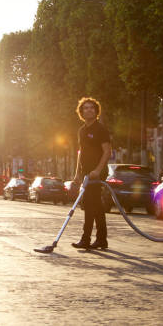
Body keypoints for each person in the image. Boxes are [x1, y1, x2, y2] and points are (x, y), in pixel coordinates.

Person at [72, 97, 112, 250]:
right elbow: (80, 153)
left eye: (92, 108)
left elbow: (107, 151)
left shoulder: (100, 129)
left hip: (97, 174)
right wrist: (77, 173)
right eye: (86, 108)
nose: (89, 110)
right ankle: (101, 239)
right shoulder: (82, 131)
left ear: (96, 111)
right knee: (96, 207)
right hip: (86, 173)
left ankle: (86, 239)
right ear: (81, 112)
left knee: (89, 205)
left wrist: (98, 170)